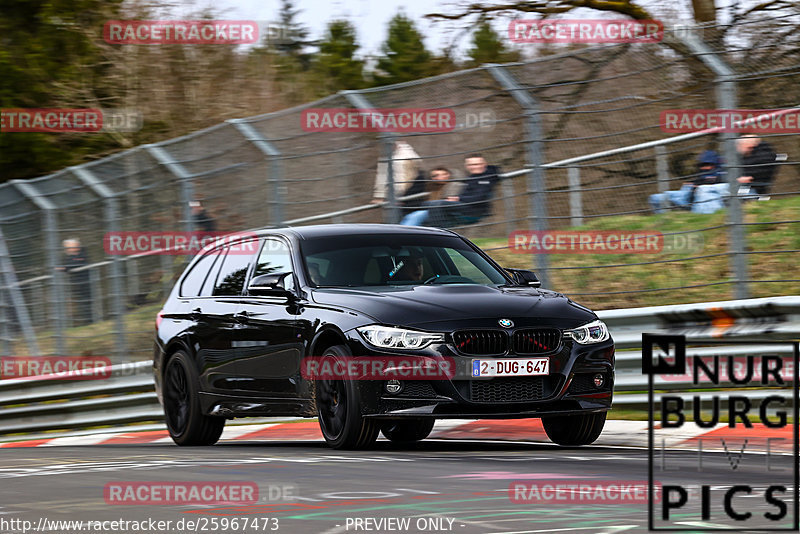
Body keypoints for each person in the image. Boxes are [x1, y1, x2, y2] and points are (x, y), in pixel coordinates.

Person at [403, 155, 501, 228]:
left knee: (435, 204)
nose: (474, 167)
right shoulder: (472, 177)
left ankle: (438, 233)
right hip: (461, 205)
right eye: (470, 165)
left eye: (477, 164)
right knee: (425, 206)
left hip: (473, 209)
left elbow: (480, 196)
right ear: (467, 166)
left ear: (484, 164)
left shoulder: (486, 177)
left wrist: (458, 198)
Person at [649, 150, 724, 214]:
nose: (704, 167)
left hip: (704, 195)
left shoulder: (720, 173)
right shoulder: (702, 173)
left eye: (708, 164)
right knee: (655, 198)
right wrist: (692, 184)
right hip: (687, 194)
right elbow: (697, 181)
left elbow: (718, 183)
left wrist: (698, 186)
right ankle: (666, 219)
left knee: (702, 191)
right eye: (702, 165)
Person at [59, 238, 92, 325]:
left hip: (86, 281)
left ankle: (90, 322)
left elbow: (75, 265)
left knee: (87, 302)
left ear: (76, 246)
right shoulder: (70, 257)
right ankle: (85, 322)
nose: (67, 250)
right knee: (80, 303)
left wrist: (65, 268)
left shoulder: (82, 254)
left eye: (69, 248)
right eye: (66, 248)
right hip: (77, 283)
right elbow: (69, 265)